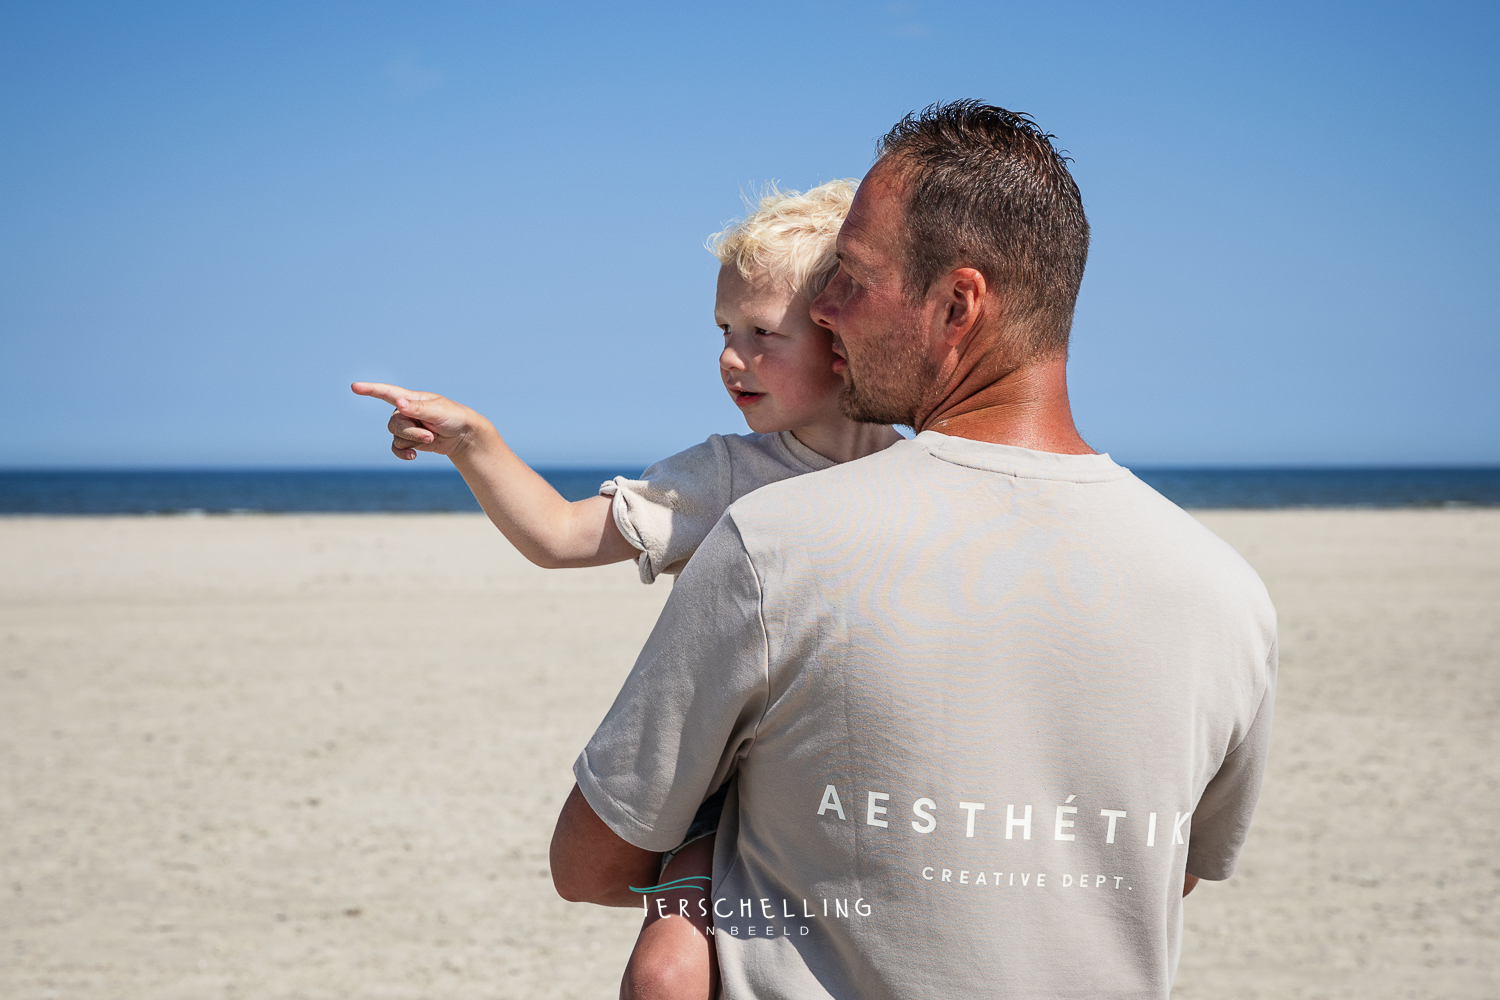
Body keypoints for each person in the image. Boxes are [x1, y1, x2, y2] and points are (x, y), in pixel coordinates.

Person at [550, 101, 1278, 999]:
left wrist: (715, 864)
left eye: (849, 277)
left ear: (957, 304)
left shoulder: (775, 544)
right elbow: (1161, 874)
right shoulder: (1227, 593)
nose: (824, 309)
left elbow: (589, 863)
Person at [351, 180, 901, 999]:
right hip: (744, 798)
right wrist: (475, 444)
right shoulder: (727, 476)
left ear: (842, 335)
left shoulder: (924, 470)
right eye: (723, 331)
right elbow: (561, 536)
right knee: (666, 973)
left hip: (882, 784)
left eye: (761, 334)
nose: (730, 358)